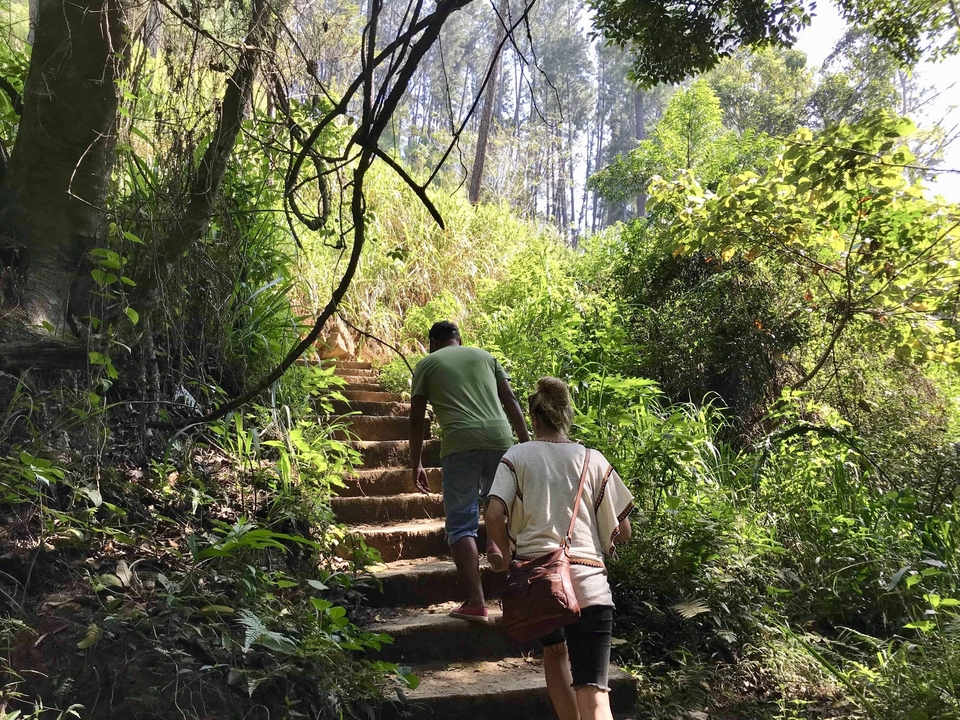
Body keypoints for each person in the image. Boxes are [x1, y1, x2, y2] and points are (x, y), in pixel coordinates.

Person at [484, 377, 634, 720]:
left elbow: (494, 513)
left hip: (539, 583)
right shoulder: (592, 459)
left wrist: (507, 554)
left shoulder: (517, 456)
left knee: (554, 653)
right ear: (566, 413)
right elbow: (622, 531)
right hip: (590, 585)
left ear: (534, 417)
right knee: (594, 692)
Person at [409, 320, 530, 622]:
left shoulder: (427, 364)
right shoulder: (486, 357)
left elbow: (416, 418)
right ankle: (495, 548)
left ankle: (477, 603)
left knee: (461, 523)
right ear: (459, 339)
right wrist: (527, 444)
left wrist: (416, 462)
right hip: (500, 438)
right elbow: (510, 399)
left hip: (460, 443)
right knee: (497, 505)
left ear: (433, 343)